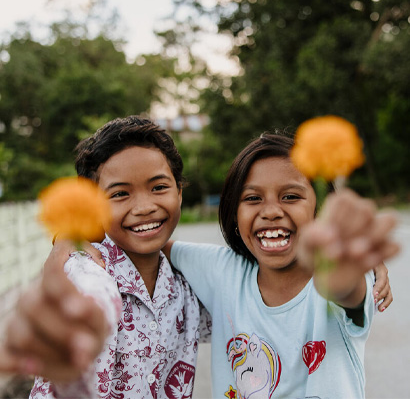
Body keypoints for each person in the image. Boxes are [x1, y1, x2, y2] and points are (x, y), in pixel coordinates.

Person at [161, 132, 399, 398]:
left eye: (290, 197)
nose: (271, 211)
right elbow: (155, 243)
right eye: (252, 198)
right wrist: (103, 246)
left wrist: (350, 271)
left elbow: (351, 296)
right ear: (234, 214)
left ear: (319, 210)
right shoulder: (222, 270)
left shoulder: (339, 273)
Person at [0, 115, 210, 399]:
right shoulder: (85, 271)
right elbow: (91, 298)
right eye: (121, 193)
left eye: (159, 187)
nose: (145, 207)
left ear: (180, 192)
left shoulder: (184, 285)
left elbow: (239, 309)